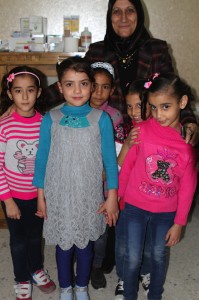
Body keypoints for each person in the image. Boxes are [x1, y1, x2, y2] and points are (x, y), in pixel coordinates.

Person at [32, 56, 119, 300]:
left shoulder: (102, 119)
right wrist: (41, 197)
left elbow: (110, 161)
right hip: (58, 194)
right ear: (60, 87)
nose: (77, 90)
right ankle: (66, 288)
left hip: (88, 194)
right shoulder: (50, 118)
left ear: (91, 85)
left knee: (84, 245)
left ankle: (81, 287)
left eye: (83, 83)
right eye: (69, 84)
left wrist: (112, 196)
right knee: (63, 245)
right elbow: (42, 159)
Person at [118, 72, 198, 300]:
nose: (158, 114)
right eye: (153, 108)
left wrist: (179, 223)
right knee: (132, 257)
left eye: (165, 107)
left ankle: (155, 296)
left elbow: (188, 188)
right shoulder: (141, 131)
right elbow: (128, 168)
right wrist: (116, 198)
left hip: (165, 213)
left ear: (181, 103)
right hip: (134, 207)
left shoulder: (185, 145)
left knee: (158, 256)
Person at [85, 0, 198, 145]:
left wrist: (189, 121)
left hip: (150, 138)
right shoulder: (97, 51)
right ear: (109, 17)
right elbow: (73, 81)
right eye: (117, 11)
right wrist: (45, 97)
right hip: (106, 138)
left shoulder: (157, 49)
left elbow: (171, 90)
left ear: (139, 15)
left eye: (130, 10)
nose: (123, 18)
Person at [0, 66, 56, 300]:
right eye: (18, 91)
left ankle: (36, 269)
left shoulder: (46, 124)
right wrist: (8, 200)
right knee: (18, 240)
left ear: (39, 92)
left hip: (38, 196)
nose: (24, 96)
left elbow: (49, 162)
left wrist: (45, 197)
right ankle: (21, 278)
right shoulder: (4, 126)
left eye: (30, 90)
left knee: (36, 237)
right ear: (10, 94)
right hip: (12, 197)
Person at [114, 79, 151, 299]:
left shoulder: (160, 129)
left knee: (148, 241)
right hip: (126, 199)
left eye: (139, 105)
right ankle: (124, 277)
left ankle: (145, 272)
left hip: (151, 199)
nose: (134, 112)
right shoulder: (123, 130)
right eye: (129, 106)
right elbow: (117, 165)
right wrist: (128, 143)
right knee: (124, 242)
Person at [89, 61, 123, 290]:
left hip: (103, 182)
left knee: (101, 231)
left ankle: (96, 266)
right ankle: (81, 261)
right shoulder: (75, 110)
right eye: (94, 85)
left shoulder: (114, 116)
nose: (99, 93)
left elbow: (119, 150)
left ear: (112, 89)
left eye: (105, 87)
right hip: (78, 181)